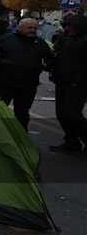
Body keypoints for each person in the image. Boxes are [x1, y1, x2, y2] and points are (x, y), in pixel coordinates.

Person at [0, 18, 53, 131]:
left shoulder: (39, 43)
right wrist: (0, 62)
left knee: (22, 113)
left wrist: (43, 66)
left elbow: (50, 58)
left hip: (28, 84)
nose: (32, 30)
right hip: (5, 82)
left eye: (35, 28)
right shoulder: (7, 39)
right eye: (29, 27)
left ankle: (22, 137)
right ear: (20, 28)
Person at [49, 14, 87, 156]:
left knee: (73, 115)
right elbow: (59, 54)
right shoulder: (70, 39)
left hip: (76, 85)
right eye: (66, 25)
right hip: (62, 82)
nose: (67, 28)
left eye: (71, 26)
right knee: (62, 114)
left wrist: (78, 81)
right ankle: (71, 142)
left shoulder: (84, 41)